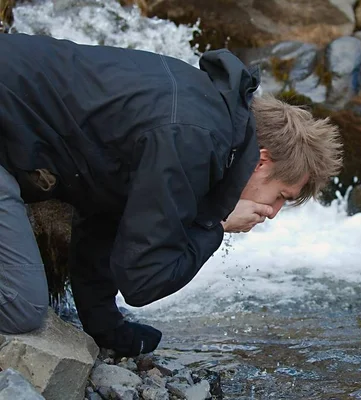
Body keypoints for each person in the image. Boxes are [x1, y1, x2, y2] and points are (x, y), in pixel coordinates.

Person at [0, 32, 342, 356]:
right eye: (282, 195)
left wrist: (106, 330)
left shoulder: (209, 119)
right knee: (22, 308)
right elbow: (142, 278)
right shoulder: (191, 140)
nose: (273, 212)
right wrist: (215, 224)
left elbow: (102, 216)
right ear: (263, 163)